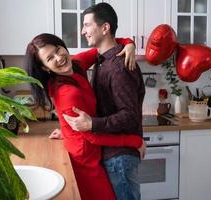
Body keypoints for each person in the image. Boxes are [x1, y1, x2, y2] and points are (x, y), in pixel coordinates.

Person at [24, 33, 146, 200]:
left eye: (58, 50)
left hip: (88, 149)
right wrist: (134, 141)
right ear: (45, 67)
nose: (59, 58)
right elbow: (92, 136)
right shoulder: (68, 93)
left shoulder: (77, 65)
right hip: (86, 161)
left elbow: (104, 45)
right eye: (50, 58)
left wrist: (129, 44)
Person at [63, 3, 145, 200]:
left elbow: (129, 116)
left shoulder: (118, 67)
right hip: (113, 154)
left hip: (120, 158)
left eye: (87, 25)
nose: (83, 31)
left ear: (105, 28)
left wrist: (92, 124)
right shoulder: (103, 61)